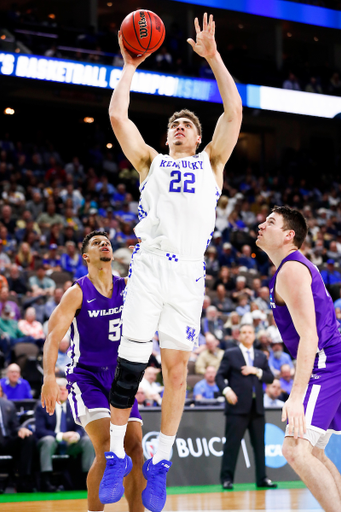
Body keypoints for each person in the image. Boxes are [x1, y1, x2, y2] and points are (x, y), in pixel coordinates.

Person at [101, 12, 242, 512]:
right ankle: (118, 456)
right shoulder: (151, 163)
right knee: (130, 369)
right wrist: (129, 66)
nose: (179, 126)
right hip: (149, 266)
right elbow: (119, 118)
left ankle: (160, 463)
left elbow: (233, 112)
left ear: (198, 138)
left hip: (188, 275)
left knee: (178, 372)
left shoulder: (213, 163)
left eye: (187, 124)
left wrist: (213, 57)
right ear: (166, 139)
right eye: (173, 124)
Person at [40, 230, 145, 511]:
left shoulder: (129, 286)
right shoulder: (77, 292)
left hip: (121, 375)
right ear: (86, 256)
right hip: (86, 376)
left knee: (136, 449)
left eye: (107, 242)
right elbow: (52, 337)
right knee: (109, 447)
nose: (105, 244)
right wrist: (49, 377)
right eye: (97, 243)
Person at [257, 205, 341, 512]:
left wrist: (296, 396)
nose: (261, 226)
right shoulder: (294, 267)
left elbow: (310, 337)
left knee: (294, 450)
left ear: (288, 235)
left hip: (325, 363)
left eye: (270, 222)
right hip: (333, 359)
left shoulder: (291, 269)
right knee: (315, 454)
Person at [215, 323, 276, 490]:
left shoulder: (260, 356)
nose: (247, 335)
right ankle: (227, 479)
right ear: (239, 335)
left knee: (259, 446)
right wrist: (227, 391)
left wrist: (256, 370)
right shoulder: (231, 354)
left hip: (257, 409)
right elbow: (219, 377)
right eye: (244, 332)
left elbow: (270, 377)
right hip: (236, 408)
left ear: (254, 335)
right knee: (232, 445)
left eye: (250, 332)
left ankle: (262, 478)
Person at [35, 377, 94, 492]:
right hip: (51, 443)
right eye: (60, 389)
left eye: (65, 389)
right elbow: (39, 430)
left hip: (69, 444)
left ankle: (87, 479)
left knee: (87, 440)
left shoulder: (73, 406)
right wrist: (61, 436)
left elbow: (81, 427)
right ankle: (46, 480)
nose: (63, 392)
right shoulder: (43, 405)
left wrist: (76, 435)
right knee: (48, 440)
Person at [0, 392, 35, 492]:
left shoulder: (8, 405)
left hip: (6, 440)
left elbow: (15, 426)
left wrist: (21, 429)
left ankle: (24, 479)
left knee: (28, 438)